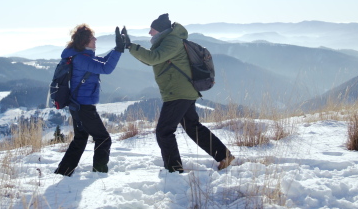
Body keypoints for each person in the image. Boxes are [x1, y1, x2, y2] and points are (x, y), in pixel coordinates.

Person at [121, 13, 234, 173]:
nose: (149, 33)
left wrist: (130, 46)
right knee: (193, 127)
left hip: (178, 93)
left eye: (151, 30)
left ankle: (173, 169)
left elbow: (153, 58)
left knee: (164, 132)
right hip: (182, 91)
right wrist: (131, 46)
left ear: (160, 30)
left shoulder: (171, 42)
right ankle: (224, 156)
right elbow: (151, 60)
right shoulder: (168, 40)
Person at [54, 24, 124, 176]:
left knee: (80, 139)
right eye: (93, 37)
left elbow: (104, 61)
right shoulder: (81, 59)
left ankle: (63, 172)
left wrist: (118, 47)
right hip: (83, 107)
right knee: (103, 139)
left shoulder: (83, 56)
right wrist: (118, 49)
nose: (95, 39)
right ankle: (99, 173)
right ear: (85, 41)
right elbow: (106, 68)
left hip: (78, 105)